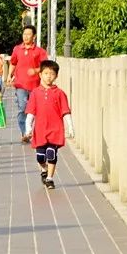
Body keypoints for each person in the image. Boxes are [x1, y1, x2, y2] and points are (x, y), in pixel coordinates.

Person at [24, 60, 74, 190]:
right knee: (40, 156)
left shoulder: (60, 93)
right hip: (40, 130)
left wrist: (70, 125)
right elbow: (30, 113)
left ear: (56, 76)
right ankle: (44, 169)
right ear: (40, 74)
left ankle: (50, 178)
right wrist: (28, 128)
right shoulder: (35, 93)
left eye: (52, 74)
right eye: (46, 73)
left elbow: (65, 111)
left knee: (51, 153)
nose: (48, 76)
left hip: (55, 129)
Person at [6, 25, 48, 142]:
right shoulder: (17, 49)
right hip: (21, 85)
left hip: (36, 86)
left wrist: (35, 70)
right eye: (24, 34)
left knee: (36, 110)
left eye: (28, 34)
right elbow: (13, 63)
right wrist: (9, 75)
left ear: (34, 37)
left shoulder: (40, 51)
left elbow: (45, 66)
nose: (25, 37)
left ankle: (36, 131)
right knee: (23, 108)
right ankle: (25, 132)